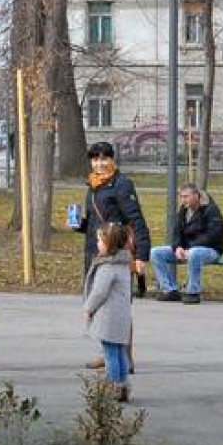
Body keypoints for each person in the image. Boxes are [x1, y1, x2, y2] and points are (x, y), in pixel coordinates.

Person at [73, 141, 150, 372]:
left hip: (117, 254)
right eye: (96, 159)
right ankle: (106, 353)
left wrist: (142, 256)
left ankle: (126, 357)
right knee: (101, 305)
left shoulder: (122, 184)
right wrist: (79, 224)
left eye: (104, 159)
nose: (100, 164)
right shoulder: (94, 184)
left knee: (120, 308)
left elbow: (137, 221)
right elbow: (96, 221)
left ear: (113, 160)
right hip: (96, 252)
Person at [150, 183, 223, 304]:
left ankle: (193, 292)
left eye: (186, 196)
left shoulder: (211, 209)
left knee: (194, 253)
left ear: (196, 196)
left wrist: (190, 248)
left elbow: (213, 235)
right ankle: (170, 290)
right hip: (186, 250)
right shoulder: (183, 210)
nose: (183, 200)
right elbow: (176, 232)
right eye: (181, 196)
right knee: (156, 253)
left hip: (211, 251)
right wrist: (178, 247)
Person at [84, 223, 133, 402]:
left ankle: (114, 385)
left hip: (108, 317)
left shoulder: (107, 267)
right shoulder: (123, 265)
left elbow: (99, 292)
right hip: (122, 316)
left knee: (110, 353)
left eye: (100, 240)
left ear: (109, 244)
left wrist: (89, 308)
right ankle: (123, 384)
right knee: (120, 351)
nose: (97, 243)